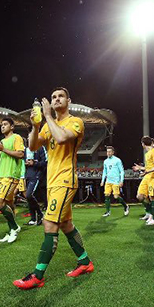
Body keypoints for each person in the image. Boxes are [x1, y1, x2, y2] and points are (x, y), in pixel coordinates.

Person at [13, 87, 93, 289]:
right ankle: (85, 262)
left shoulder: (75, 122)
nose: (56, 99)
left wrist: (47, 115)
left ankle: (37, 276)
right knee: (66, 224)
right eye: (53, 97)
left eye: (60, 96)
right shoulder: (48, 124)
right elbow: (32, 147)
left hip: (66, 180)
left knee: (49, 223)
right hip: (52, 181)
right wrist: (35, 125)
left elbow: (61, 138)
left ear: (69, 101)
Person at [0, 117, 24, 243]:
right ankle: (11, 231)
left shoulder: (17, 138)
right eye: (1, 125)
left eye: (5, 124)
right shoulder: (2, 141)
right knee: (9, 205)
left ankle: (15, 227)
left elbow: (20, 154)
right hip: (3, 175)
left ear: (12, 127)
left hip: (11, 175)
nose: (2, 126)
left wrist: (2, 148)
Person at [101, 146, 129, 217]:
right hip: (108, 181)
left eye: (110, 151)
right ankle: (108, 211)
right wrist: (102, 180)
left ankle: (126, 206)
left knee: (116, 196)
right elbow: (104, 171)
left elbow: (122, 171)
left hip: (115, 181)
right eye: (107, 152)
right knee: (106, 195)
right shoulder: (105, 161)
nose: (108, 153)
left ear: (113, 152)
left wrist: (121, 180)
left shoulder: (117, 160)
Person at [23, 143, 48, 225]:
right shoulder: (25, 149)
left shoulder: (41, 148)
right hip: (28, 175)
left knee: (29, 195)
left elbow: (45, 162)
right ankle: (33, 218)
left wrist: (34, 163)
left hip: (36, 175)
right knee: (29, 197)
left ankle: (40, 214)